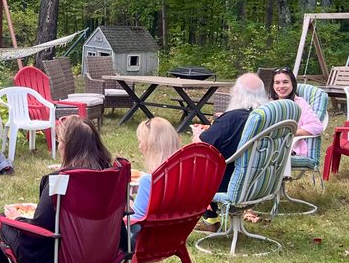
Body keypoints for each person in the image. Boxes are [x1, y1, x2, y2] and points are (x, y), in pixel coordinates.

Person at [0, 117, 114, 263]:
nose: (59, 147)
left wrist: (14, 220)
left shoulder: (59, 182)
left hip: (61, 261)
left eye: (60, 142)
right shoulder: (111, 177)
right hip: (102, 255)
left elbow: (38, 234)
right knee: (24, 227)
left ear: (68, 147)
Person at [189, 73, 268, 225]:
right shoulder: (265, 118)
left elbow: (200, 143)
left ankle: (209, 219)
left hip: (228, 181)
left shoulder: (233, 117)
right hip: (259, 180)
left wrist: (197, 132)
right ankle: (211, 218)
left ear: (237, 93)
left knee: (196, 164)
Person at [131, 117, 181, 223]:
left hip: (143, 237)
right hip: (175, 235)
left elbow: (133, 222)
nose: (139, 147)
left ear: (152, 146)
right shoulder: (186, 176)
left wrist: (128, 200)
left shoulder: (149, 181)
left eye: (141, 142)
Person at [269, 67, 325, 154]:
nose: (281, 86)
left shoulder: (300, 104)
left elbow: (317, 127)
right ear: (273, 85)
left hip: (288, 149)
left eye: (285, 82)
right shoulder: (269, 104)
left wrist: (289, 133)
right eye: (277, 83)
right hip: (267, 147)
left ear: (293, 84)